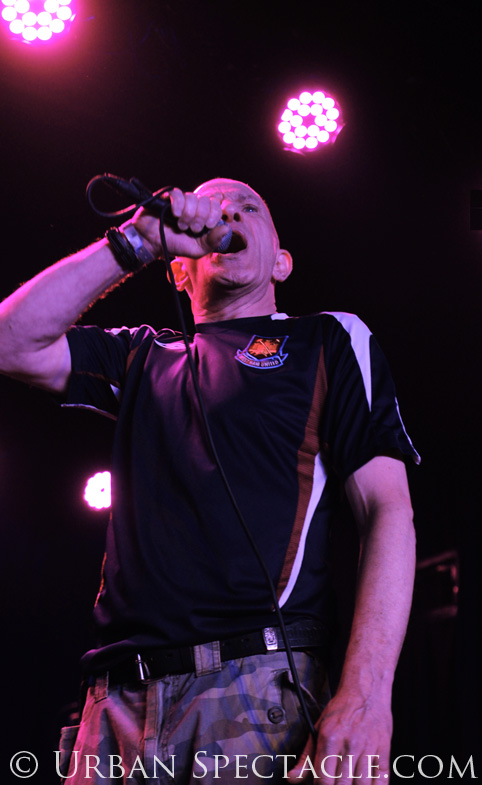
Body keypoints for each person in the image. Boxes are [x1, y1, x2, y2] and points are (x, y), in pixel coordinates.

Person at [0, 178, 419, 784]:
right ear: (180, 272)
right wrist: (136, 242)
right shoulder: (144, 356)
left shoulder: (326, 338)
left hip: (256, 688)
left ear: (280, 261)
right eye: (214, 208)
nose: (228, 214)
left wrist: (366, 695)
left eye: (248, 207)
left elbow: (388, 510)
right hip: (115, 704)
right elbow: (10, 343)